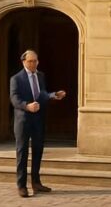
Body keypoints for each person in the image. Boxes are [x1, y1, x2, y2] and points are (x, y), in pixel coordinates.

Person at [10, 49, 66, 198]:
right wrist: (26, 106)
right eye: (30, 61)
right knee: (22, 152)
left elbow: (41, 94)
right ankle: (21, 185)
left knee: (38, 151)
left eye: (35, 61)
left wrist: (54, 95)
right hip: (23, 120)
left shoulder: (40, 76)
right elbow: (14, 99)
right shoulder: (16, 79)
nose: (33, 64)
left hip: (38, 120)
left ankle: (36, 183)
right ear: (24, 62)